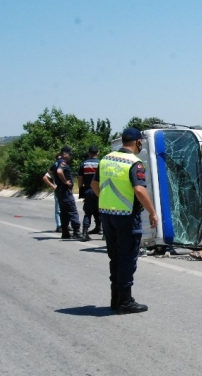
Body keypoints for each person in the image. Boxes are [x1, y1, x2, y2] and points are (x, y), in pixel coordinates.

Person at [91, 128, 157, 314]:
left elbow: (94, 185)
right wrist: (152, 212)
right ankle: (125, 301)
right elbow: (139, 190)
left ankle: (116, 299)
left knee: (116, 257)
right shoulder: (134, 163)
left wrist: (107, 200)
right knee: (127, 258)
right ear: (137, 142)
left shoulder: (105, 159)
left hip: (107, 215)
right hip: (127, 216)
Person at [52, 146, 83, 239]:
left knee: (64, 212)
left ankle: (65, 232)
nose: (70, 157)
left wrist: (56, 181)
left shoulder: (56, 162)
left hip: (60, 191)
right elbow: (59, 171)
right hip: (65, 191)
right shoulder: (62, 163)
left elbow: (50, 172)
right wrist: (65, 181)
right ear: (65, 154)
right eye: (70, 154)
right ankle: (76, 232)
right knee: (72, 211)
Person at [78, 145, 101, 241]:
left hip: (88, 191)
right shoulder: (101, 163)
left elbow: (80, 179)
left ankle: (84, 233)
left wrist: (81, 189)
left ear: (89, 153)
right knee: (102, 212)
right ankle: (104, 233)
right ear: (98, 152)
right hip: (100, 191)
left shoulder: (84, 164)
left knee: (88, 213)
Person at [42, 153, 62, 232]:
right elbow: (45, 177)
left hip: (65, 190)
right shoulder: (54, 168)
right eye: (59, 159)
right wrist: (53, 186)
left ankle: (65, 224)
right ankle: (59, 225)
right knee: (58, 209)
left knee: (66, 208)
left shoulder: (64, 166)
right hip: (58, 190)